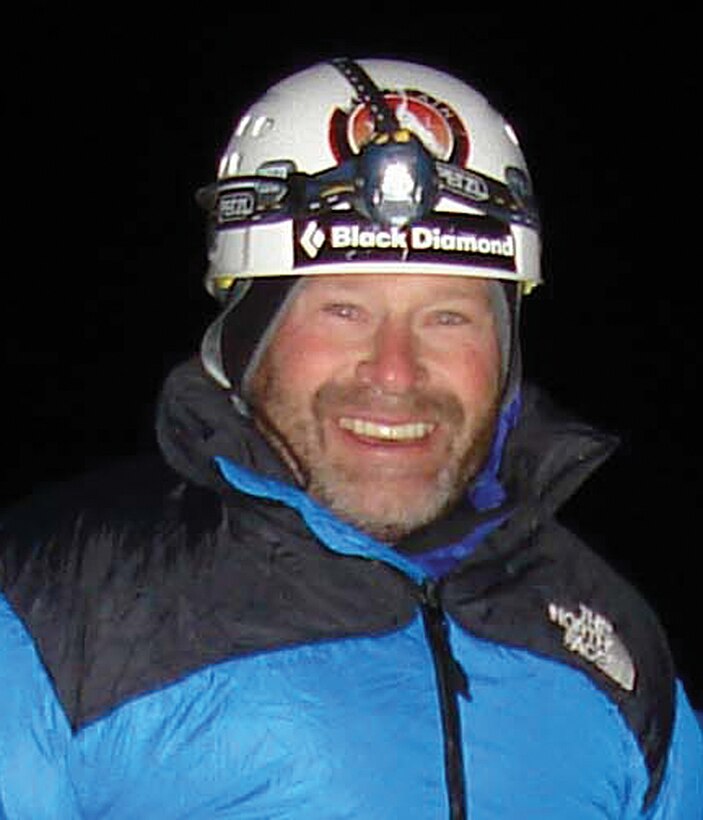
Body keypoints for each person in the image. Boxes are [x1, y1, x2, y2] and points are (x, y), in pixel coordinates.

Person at [1, 57, 701, 819]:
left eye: (449, 316)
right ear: (244, 340)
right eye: (342, 309)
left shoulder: (610, 647)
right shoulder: (51, 614)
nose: (394, 373)